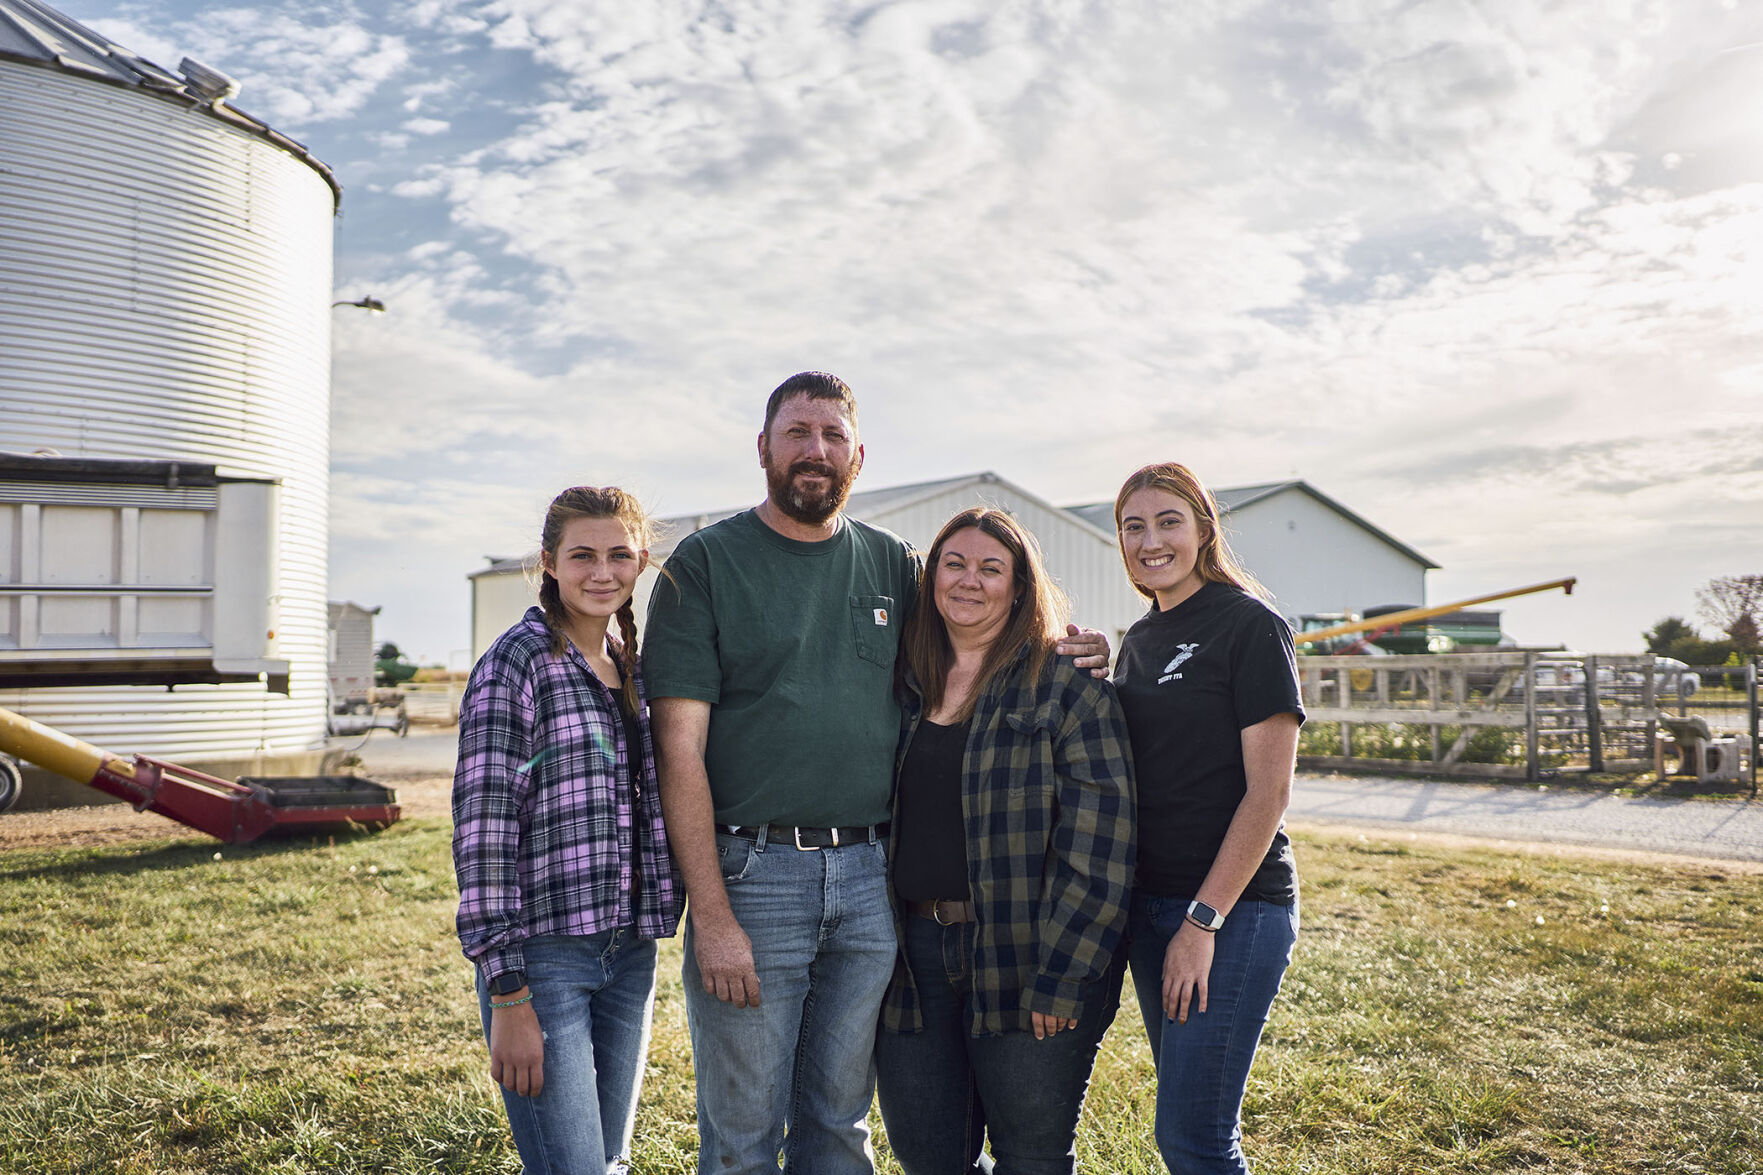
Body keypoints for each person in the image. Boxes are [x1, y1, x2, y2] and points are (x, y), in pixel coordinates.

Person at [644, 372, 1110, 1174]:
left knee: (838, 1123)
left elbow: (986, 624)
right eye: (796, 433)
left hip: (869, 880)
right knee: (746, 1132)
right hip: (754, 874)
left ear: (858, 456)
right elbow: (676, 749)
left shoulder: (894, 565)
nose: (814, 451)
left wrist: (1095, 647)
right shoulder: (705, 565)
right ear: (762, 448)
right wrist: (712, 916)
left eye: (831, 436)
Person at [874, 508, 1135, 1175]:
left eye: (991, 568)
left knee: (1031, 1158)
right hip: (915, 959)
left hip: (1028, 956)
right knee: (930, 1157)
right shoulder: (901, 684)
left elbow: (1101, 846)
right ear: (931, 578)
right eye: (953, 564)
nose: (969, 580)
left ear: (1018, 587)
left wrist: (1064, 975)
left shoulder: (1066, 686)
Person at [452, 485, 684, 1175]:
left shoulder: (631, 665)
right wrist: (508, 991)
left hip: (629, 949)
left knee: (609, 1160)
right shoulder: (516, 661)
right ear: (548, 562)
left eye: (618, 554)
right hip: (544, 957)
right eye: (582, 555)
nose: (601, 571)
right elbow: (484, 829)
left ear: (640, 560)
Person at [1108, 463, 1305, 1174]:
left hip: (1230, 912)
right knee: (1189, 1122)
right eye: (1133, 525)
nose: (1149, 539)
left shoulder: (1248, 624)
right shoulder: (1138, 638)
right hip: (1152, 909)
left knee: (1193, 1138)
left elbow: (1267, 794)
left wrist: (1201, 922)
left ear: (1202, 528)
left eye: (1167, 521)